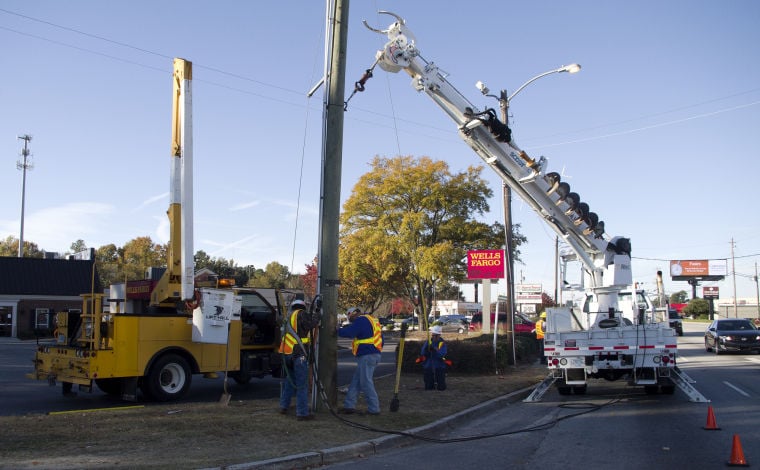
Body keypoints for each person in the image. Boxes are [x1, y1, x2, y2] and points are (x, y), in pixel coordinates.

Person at [279, 299, 320, 421]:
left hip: (287, 354)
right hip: (298, 355)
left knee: (289, 382)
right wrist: (318, 314)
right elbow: (311, 324)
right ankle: (302, 413)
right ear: (302, 307)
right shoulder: (301, 314)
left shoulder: (287, 317)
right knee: (302, 384)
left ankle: (283, 406)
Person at [337, 307, 383, 415]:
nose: (350, 319)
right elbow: (381, 339)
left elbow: (350, 332)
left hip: (367, 355)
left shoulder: (361, 320)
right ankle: (349, 406)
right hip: (373, 354)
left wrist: (337, 330)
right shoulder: (372, 320)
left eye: (349, 316)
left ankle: (374, 409)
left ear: (352, 314)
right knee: (356, 381)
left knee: (365, 382)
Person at [419, 325, 448, 390]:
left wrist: (435, 350)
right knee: (429, 388)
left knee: (441, 388)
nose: (434, 337)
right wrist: (427, 349)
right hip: (428, 366)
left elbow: (442, 354)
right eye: (433, 335)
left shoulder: (442, 343)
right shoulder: (428, 342)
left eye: (435, 335)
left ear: (439, 335)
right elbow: (422, 353)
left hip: (439, 367)